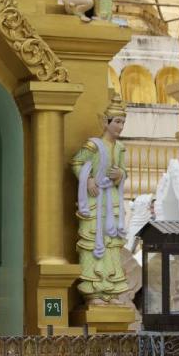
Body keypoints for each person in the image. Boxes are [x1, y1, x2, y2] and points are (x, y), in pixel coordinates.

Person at [72, 92, 129, 304]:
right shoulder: (93, 145)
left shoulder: (120, 148)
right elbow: (77, 163)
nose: (120, 126)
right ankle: (93, 291)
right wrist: (87, 181)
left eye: (123, 122)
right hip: (96, 199)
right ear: (105, 122)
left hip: (112, 199)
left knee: (112, 245)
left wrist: (120, 175)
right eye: (117, 121)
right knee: (92, 244)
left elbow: (123, 171)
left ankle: (111, 291)